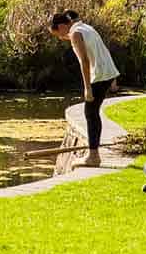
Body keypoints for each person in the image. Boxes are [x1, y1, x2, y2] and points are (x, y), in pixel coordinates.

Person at [48, 10, 119, 166]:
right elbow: (103, 50)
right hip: (107, 74)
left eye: (57, 34)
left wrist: (87, 88)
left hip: (99, 76)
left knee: (90, 114)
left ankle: (93, 156)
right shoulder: (85, 28)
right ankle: (94, 154)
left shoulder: (75, 34)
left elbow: (84, 62)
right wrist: (113, 78)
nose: (60, 38)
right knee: (93, 113)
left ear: (60, 26)